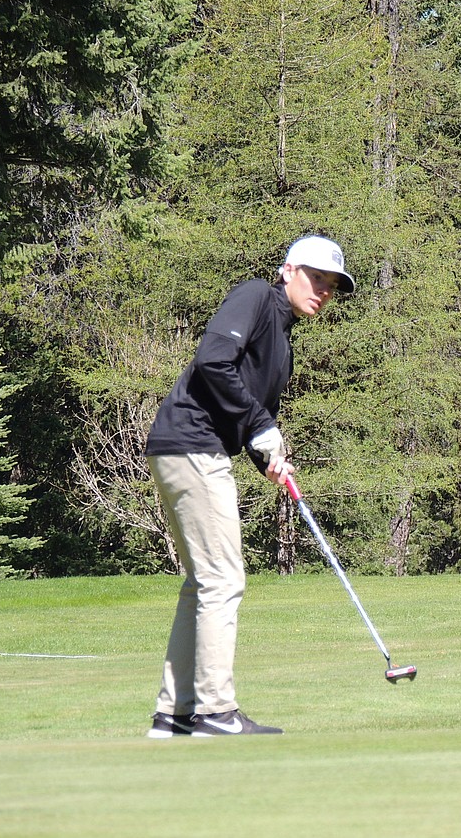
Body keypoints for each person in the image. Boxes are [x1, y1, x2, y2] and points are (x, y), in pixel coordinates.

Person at [143, 235, 355, 738]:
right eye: (315, 278)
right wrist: (259, 422)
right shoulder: (257, 295)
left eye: (331, 286)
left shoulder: (284, 345)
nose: (322, 291)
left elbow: (253, 418)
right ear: (288, 271)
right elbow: (214, 361)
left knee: (203, 583)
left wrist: (269, 459)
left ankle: (174, 714)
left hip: (190, 448)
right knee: (223, 580)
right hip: (191, 446)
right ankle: (214, 712)